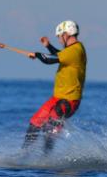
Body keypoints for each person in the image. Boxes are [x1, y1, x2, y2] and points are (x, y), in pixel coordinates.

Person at [23, 20, 87, 152]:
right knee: (35, 123)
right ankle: (23, 154)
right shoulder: (72, 50)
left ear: (66, 34)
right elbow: (59, 55)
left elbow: (48, 59)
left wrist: (37, 54)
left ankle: (46, 159)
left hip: (69, 99)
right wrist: (48, 46)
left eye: (59, 37)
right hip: (57, 98)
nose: (58, 40)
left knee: (49, 128)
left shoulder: (76, 50)